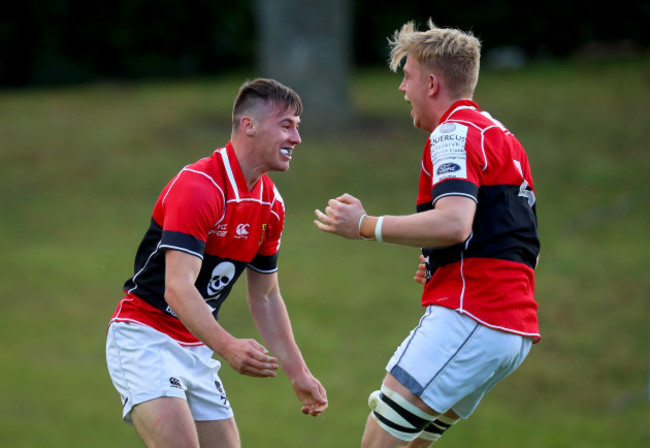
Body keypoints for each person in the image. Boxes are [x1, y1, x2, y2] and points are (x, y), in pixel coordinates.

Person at [314, 20, 540, 448]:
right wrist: (447, 265)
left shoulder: (452, 133)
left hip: (472, 316)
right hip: (509, 329)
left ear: (432, 83)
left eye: (408, 77)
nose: (402, 89)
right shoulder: (503, 138)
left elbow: (455, 223)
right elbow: (514, 241)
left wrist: (364, 226)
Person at [106, 78, 328, 448]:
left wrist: (298, 373)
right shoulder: (199, 187)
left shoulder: (271, 205)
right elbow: (177, 289)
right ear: (249, 125)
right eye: (286, 125)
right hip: (146, 338)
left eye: (298, 128)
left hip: (196, 347)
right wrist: (228, 347)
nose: (296, 139)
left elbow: (267, 298)